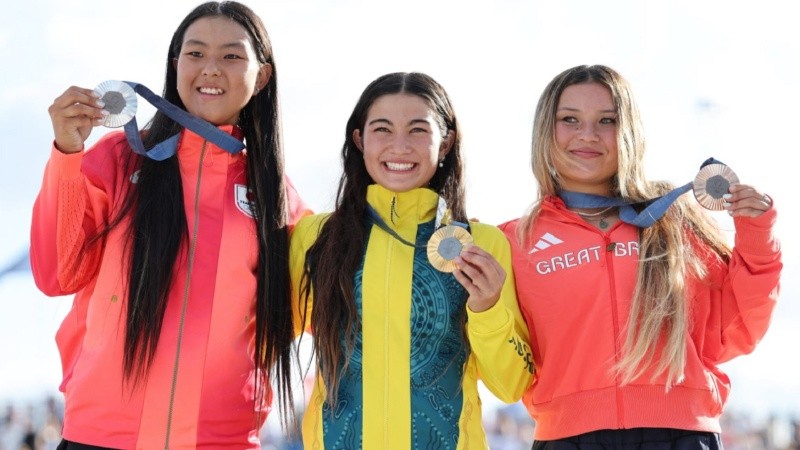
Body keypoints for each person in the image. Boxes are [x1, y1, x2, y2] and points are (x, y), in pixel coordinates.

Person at [30, 2, 310, 448]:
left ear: (262, 77)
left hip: (221, 439)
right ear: (175, 64)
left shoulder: (277, 199)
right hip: (100, 436)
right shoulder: (121, 158)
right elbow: (57, 273)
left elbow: (326, 308)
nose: (210, 69)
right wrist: (67, 155)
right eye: (195, 54)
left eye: (231, 56)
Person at [499, 64, 782, 449]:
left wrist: (757, 235)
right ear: (546, 130)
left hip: (682, 435)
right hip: (567, 439)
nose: (588, 134)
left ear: (629, 130)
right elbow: (506, 362)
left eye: (607, 120)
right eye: (570, 119)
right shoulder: (516, 241)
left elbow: (736, 331)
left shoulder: (672, 221)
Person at [290, 72, 534, 449]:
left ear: (446, 142)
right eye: (382, 129)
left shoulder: (480, 243)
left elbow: (511, 383)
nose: (399, 146)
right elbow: (261, 337)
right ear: (359, 140)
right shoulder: (315, 238)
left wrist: (487, 310)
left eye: (418, 130)